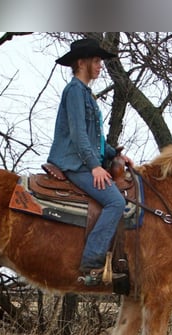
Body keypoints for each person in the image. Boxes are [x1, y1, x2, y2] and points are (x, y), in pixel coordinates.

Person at [47, 38, 134, 286]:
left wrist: (113, 155)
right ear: (81, 62)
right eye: (96, 61)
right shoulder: (74, 91)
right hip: (73, 163)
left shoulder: (86, 93)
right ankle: (92, 264)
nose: (100, 66)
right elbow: (78, 135)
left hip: (84, 160)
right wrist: (95, 166)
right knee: (115, 202)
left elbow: (95, 140)